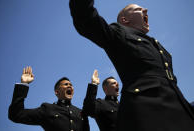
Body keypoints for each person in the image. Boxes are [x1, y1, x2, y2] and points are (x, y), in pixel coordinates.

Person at [69, 1, 194, 131]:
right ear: (124, 19)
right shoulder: (119, 33)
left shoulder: (158, 47)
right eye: (138, 10)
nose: (145, 10)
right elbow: (86, 19)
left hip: (181, 115)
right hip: (149, 115)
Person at [8, 66, 89, 131]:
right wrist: (24, 84)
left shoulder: (80, 113)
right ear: (57, 92)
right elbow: (16, 114)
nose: (69, 86)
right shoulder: (47, 109)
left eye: (71, 85)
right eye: (66, 84)